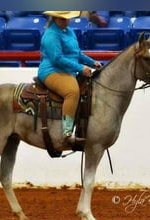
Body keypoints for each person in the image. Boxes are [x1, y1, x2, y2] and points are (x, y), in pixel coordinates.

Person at [38, 11, 102, 146]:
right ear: (55, 18)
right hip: (52, 70)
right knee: (72, 92)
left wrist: (91, 62)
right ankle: (67, 133)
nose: (67, 21)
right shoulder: (51, 35)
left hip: (68, 70)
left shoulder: (69, 31)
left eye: (67, 18)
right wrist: (80, 68)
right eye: (63, 19)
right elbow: (57, 59)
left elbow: (77, 53)